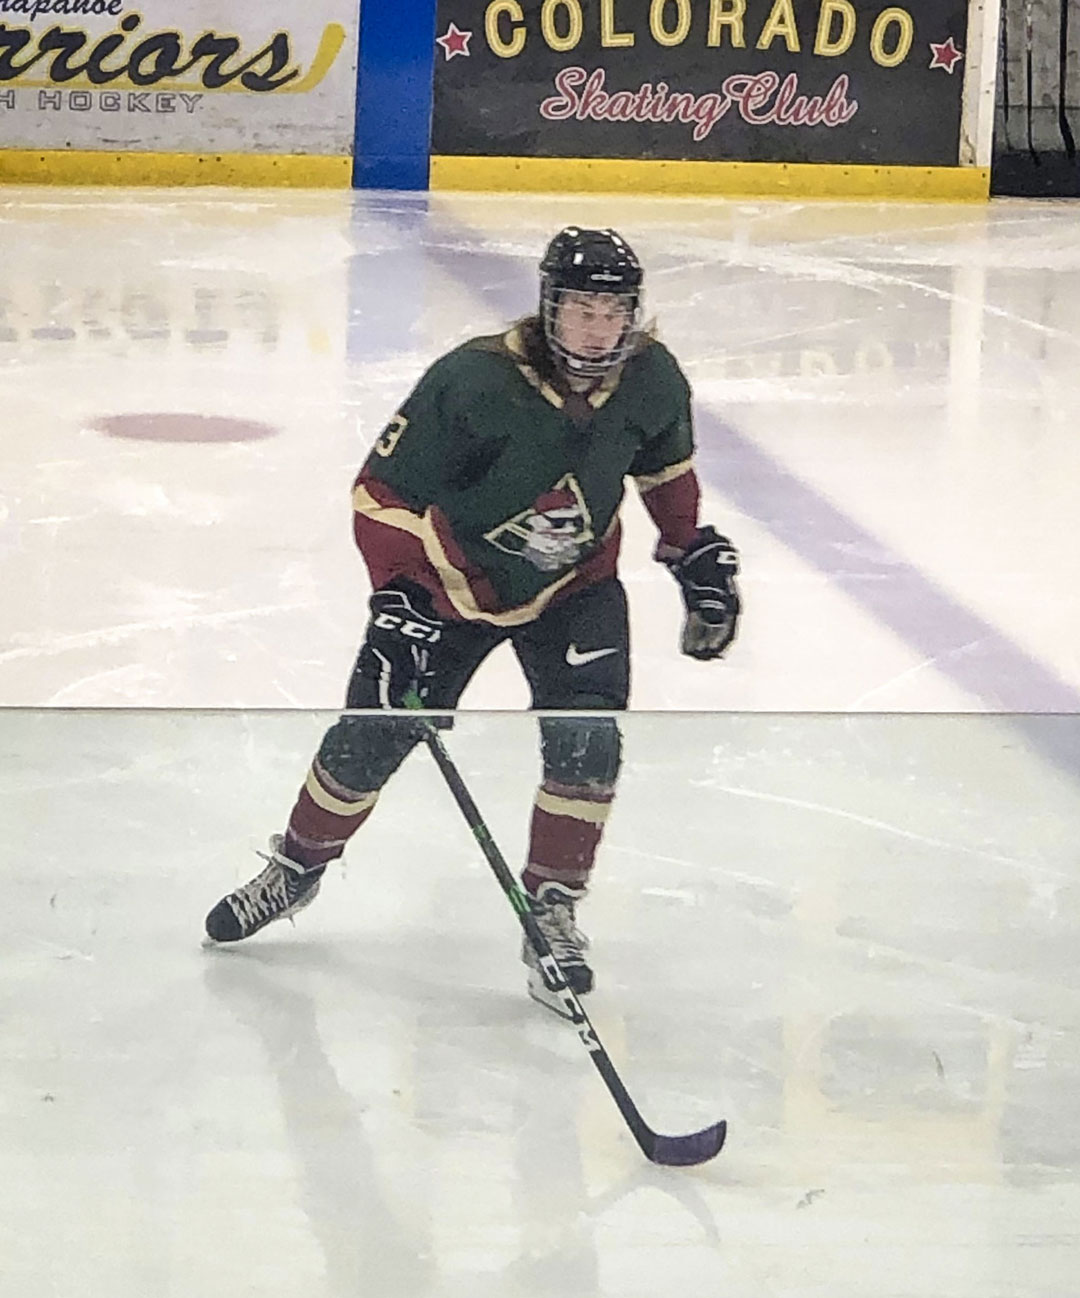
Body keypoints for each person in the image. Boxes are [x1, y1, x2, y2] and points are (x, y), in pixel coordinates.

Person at [204, 227, 741, 1015]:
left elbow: (666, 470)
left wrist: (691, 552)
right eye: (582, 308)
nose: (599, 327)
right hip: (445, 591)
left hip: (575, 587)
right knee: (367, 740)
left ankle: (551, 908)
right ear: (550, 308)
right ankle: (298, 865)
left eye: (614, 310)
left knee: (587, 741)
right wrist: (397, 600)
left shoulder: (651, 377)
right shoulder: (474, 381)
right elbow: (380, 495)